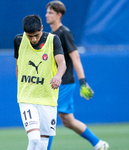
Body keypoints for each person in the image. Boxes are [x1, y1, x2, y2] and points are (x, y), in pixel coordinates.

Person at [45, 1, 109, 150]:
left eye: (50, 12)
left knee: (50, 117)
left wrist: (83, 82)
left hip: (64, 82)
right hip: (55, 83)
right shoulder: (51, 35)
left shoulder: (64, 32)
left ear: (59, 15)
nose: (47, 15)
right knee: (68, 120)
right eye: (47, 12)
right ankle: (98, 144)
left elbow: (76, 58)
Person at [14, 14, 66, 150]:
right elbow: (18, 65)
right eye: (30, 36)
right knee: (35, 140)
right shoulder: (18, 40)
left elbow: (62, 63)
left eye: (36, 35)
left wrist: (58, 76)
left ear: (42, 28)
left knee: (43, 144)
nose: (33, 39)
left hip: (48, 98)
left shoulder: (53, 40)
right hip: (27, 98)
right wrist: (21, 87)